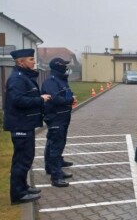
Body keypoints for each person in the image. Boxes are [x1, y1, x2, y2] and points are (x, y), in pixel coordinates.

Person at [3, 49, 51, 205]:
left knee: (26, 158)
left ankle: (23, 187)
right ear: (21, 62)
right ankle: (18, 195)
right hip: (20, 125)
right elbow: (18, 100)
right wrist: (40, 99)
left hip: (25, 124)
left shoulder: (24, 77)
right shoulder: (17, 79)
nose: (34, 62)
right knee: (21, 160)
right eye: (31, 59)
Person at [42, 58, 77, 187]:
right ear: (58, 66)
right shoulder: (51, 81)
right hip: (55, 117)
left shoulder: (60, 80)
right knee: (55, 146)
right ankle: (56, 176)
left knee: (54, 143)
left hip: (62, 116)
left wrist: (70, 98)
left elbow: (64, 94)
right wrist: (69, 100)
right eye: (64, 65)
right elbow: (55, 98)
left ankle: (51, 167)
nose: (66, 68)